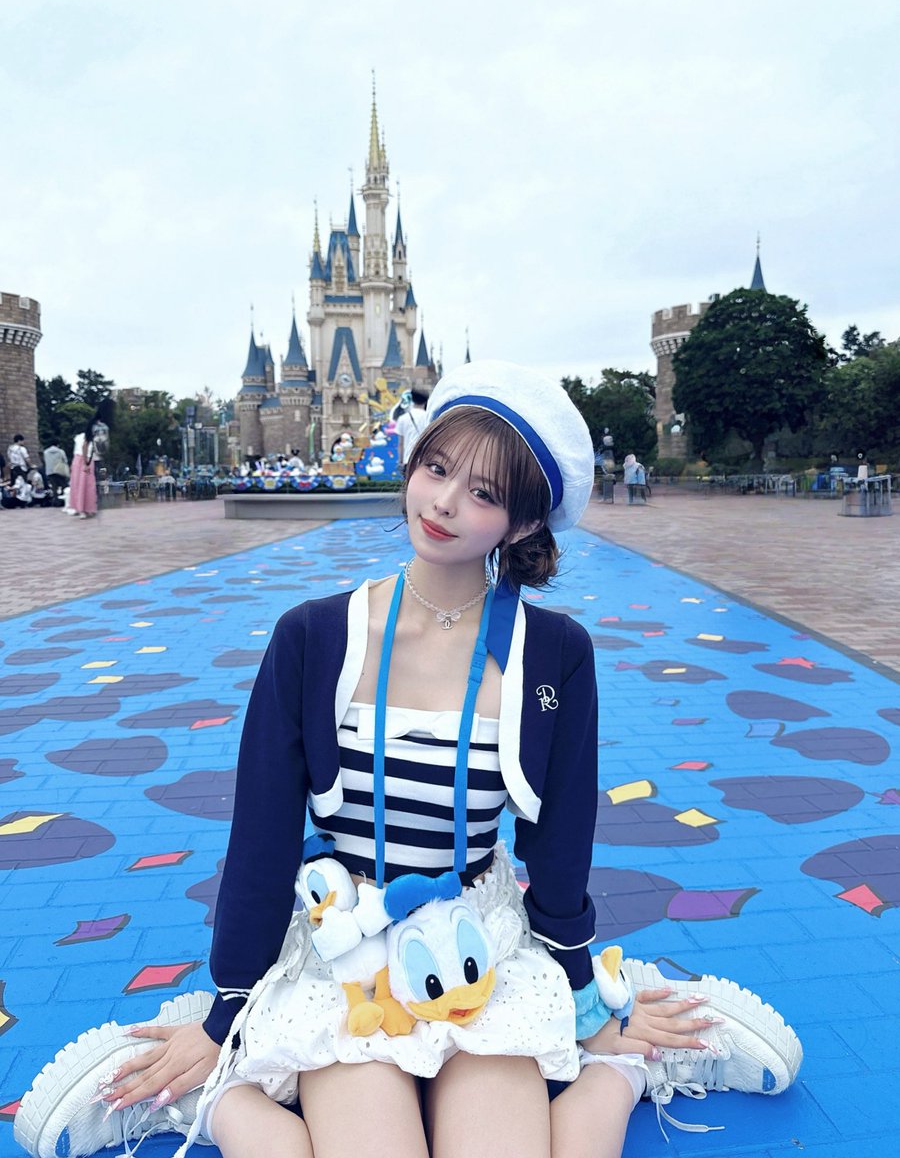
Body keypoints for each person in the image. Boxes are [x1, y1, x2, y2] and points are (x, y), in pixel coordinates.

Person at [15, 361, 800, 1158]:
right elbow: (262, 836)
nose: (445, 502)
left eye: (484, 493)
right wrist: (228, 1011)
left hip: (478, 937)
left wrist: (589, 1004)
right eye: (436, 468)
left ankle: (628, 1069)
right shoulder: (314, 638)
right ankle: (218, 1099)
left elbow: (560, 845)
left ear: (523, 524)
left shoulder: (554, 654)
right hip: (346, 949)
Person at [67, 401, 114, 520]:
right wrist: (85, 463)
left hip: (87, 459)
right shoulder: (93, 429)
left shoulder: (95, 428)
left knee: (88, 485)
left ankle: (87, 508)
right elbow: (85, 445)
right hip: (86, 459)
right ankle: (83, 509)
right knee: (85, 485)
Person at [394, 388, 429, 471]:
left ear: (412, 399)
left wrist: (400, 461)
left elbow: (401, 443)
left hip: (408, 459)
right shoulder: (429, 417)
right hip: (425, 459)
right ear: (426, 400)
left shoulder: (403, 419)